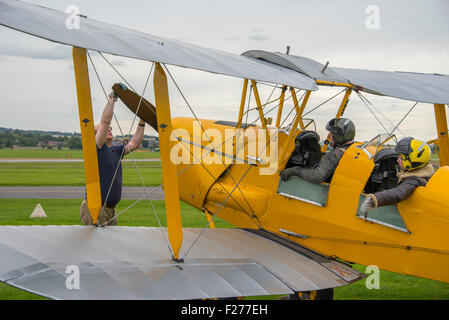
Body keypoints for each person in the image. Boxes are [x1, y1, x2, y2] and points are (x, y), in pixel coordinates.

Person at [80, 89, 146, 226]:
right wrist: (112, 99)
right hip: (96, 209)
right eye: (104, 130)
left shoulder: (115, 150)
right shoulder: (96, 148)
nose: (109, 129)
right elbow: (105, 122)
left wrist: (142, 120)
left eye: (110, 129)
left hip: (110, 210)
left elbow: (135, 143)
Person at [360, 137, 434, 216]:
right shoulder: (420, 172)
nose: (397, 160)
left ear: (411, 162)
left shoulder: (415, 179)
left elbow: (399, 193)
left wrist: (375, 198)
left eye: (401, 158)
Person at [280, 118, 355, 184]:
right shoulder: (350, 150)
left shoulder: (332, 156)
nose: (328, 136)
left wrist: (294, 170)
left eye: (331, 134)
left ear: (337, 136)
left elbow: (316, 176)